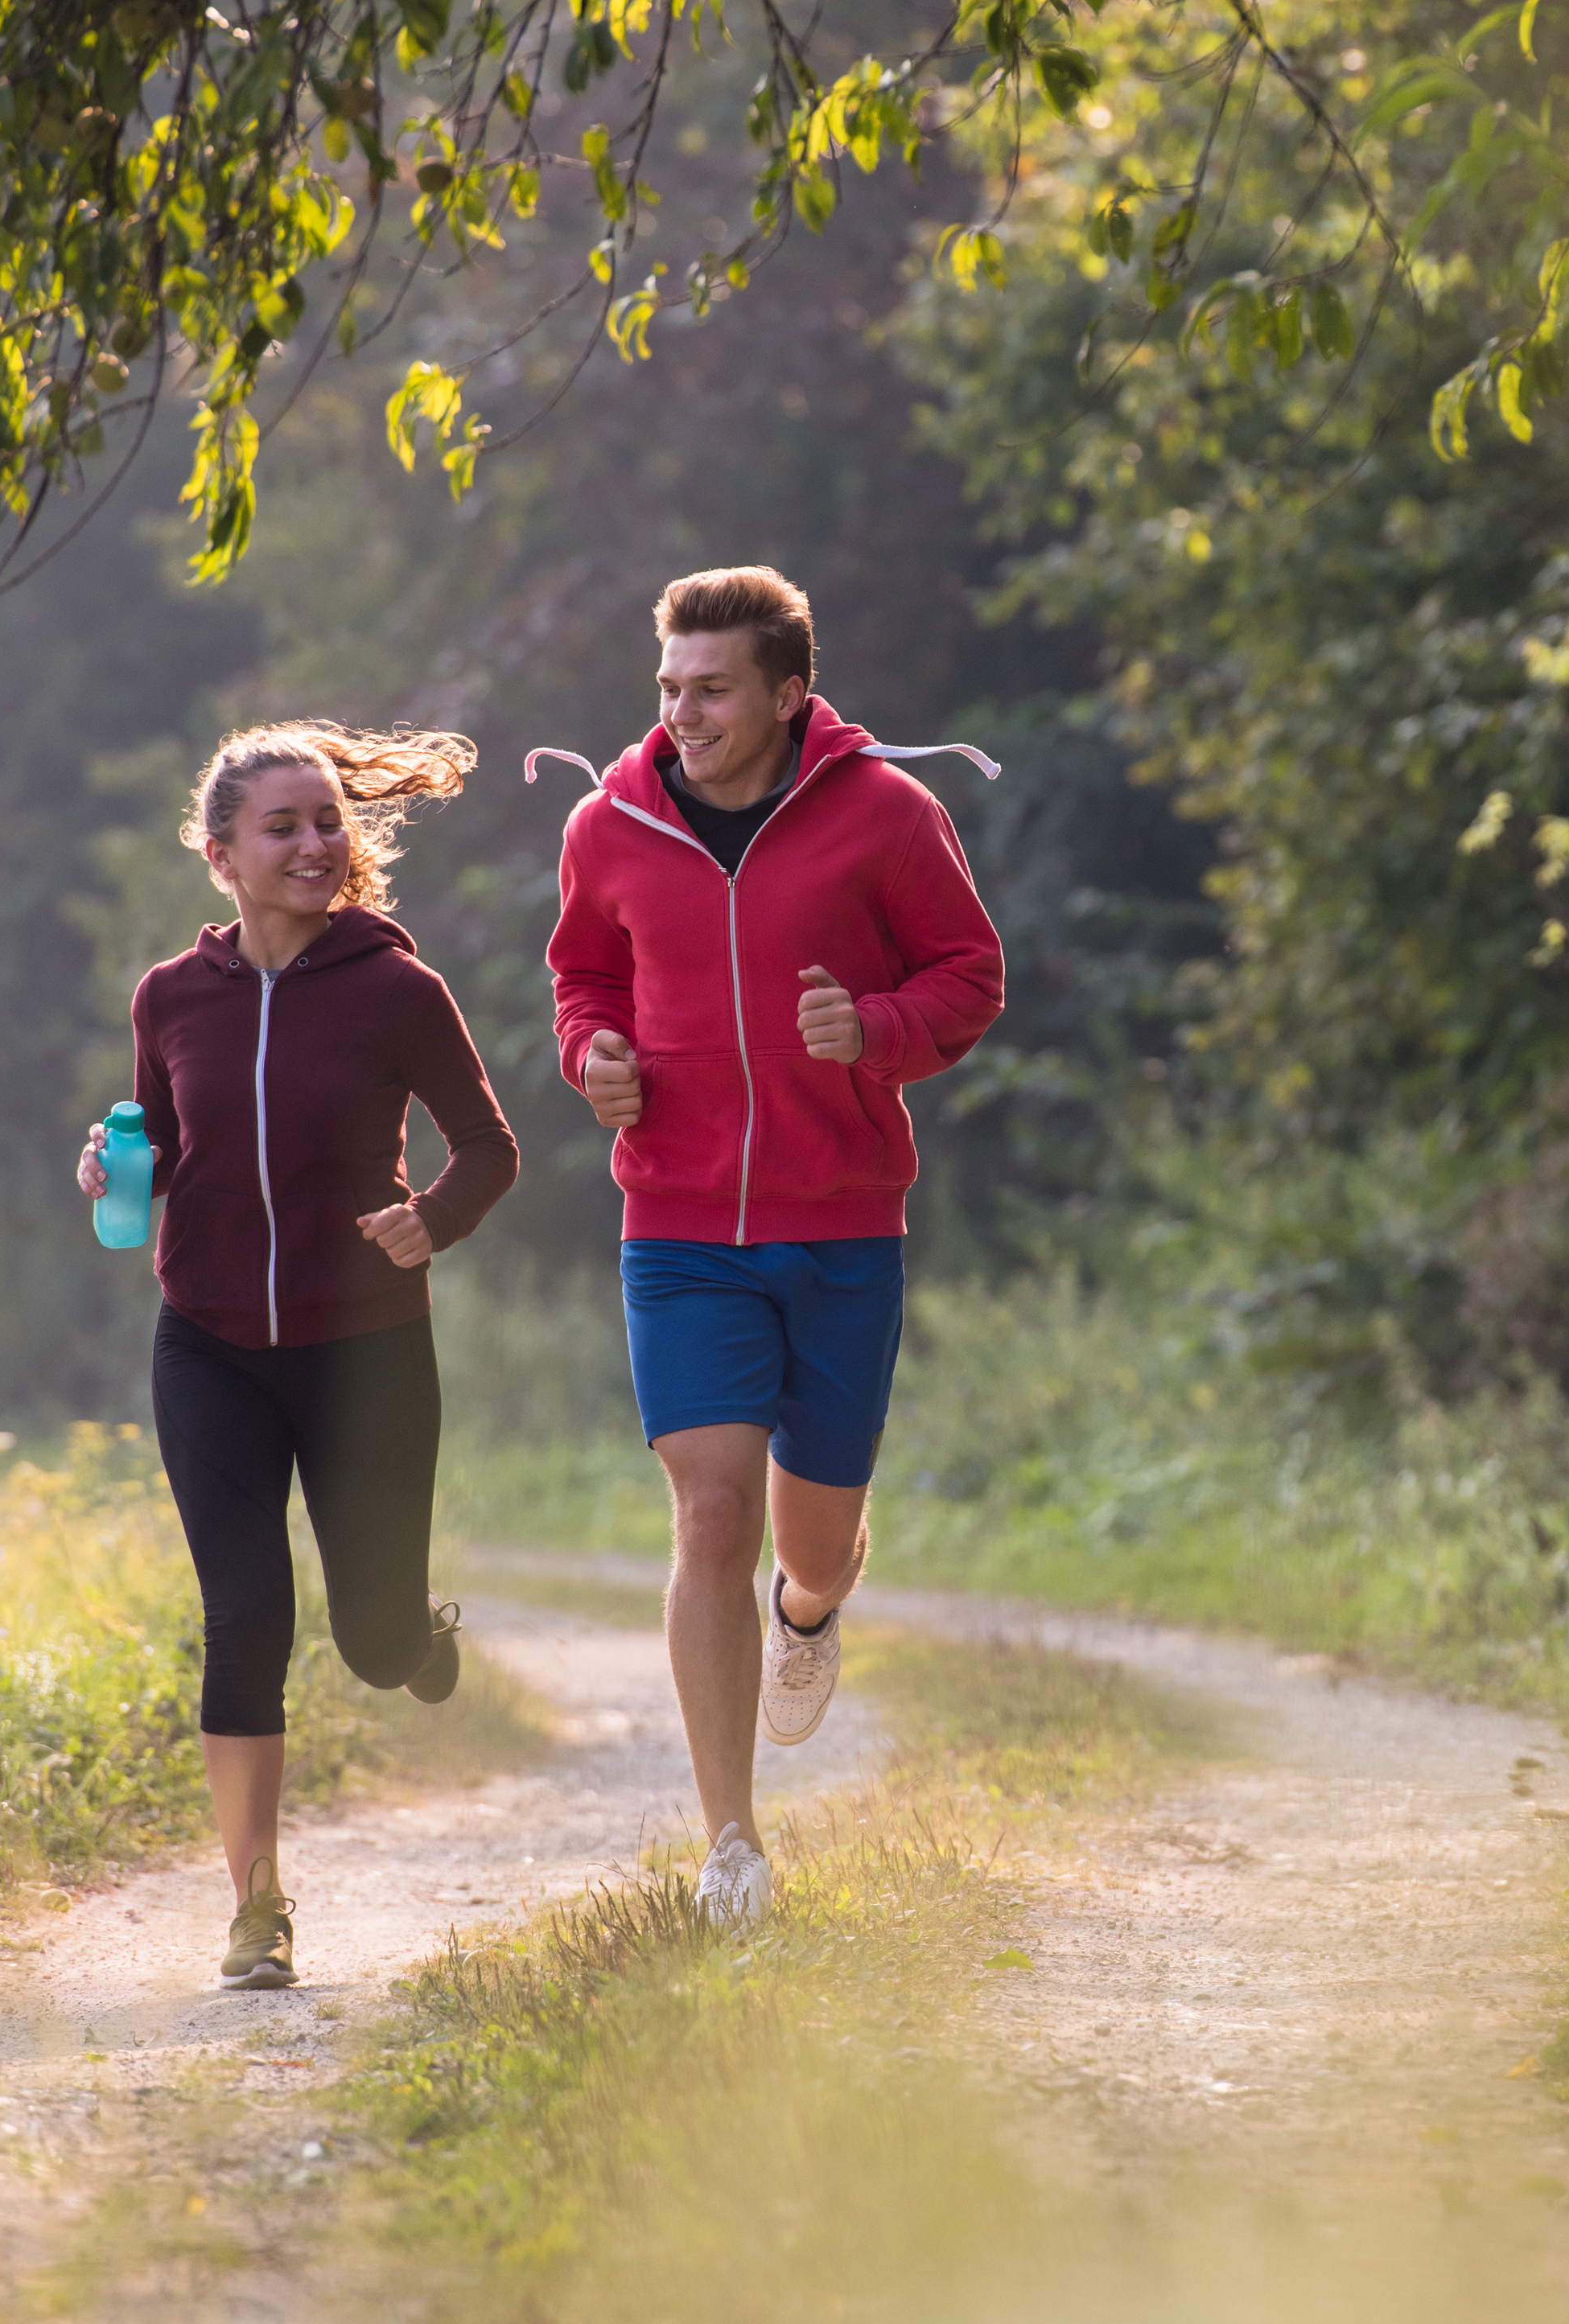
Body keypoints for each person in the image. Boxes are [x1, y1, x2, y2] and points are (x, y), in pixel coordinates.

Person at [533, 567, 1004, 1928]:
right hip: (678, 1225)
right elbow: (583, 973)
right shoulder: (608, 822)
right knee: (712, 1515)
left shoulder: (887, 815)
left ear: (789, 693)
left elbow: (969, 973)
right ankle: (731, 1842)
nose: (682, 713)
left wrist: (875, 1028)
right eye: (668, 687)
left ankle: (811, 1610)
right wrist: (591, 1055)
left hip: (842, 1215)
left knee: (814, 1539)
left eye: (712, 688)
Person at [76, 722, 519, 1987]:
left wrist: (427, 1220)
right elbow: (153, 1137)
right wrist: (109, 1166)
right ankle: (255, 1906)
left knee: (373, 1644)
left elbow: (490, 1149)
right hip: (207, 1338)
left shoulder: (398, 990)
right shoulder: (169, 995)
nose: (316, 844)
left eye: (328, 821)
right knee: (244, 1613)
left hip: (366, 1342)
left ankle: (415, 1638)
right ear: (222, 855)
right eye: (285, 827)